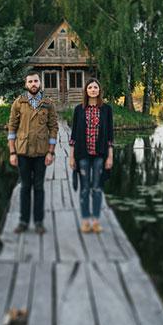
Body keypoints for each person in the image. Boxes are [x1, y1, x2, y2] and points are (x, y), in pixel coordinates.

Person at [8, 71, 58, 234]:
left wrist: (51, 152)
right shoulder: (19, 103)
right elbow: (12, 128)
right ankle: (23, 221)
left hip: (41, 152)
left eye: (36, 81)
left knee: (38, 187)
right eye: (30, 82)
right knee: (25, 187)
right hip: (22, 152)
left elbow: (53, 128)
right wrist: (12, 152)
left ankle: (38, 222)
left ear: (40, 83)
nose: (33, 84)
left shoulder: (48, 103)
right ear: (26, 84)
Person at [69, 77, 114, 233]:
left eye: (96, 87)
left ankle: (96, 220)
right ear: (86, 91)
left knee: (97, 188)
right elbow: (73, 135)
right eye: (90, 87)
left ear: (99, 90)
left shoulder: (106, 109)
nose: (93, 89)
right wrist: (71, 156)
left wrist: (110, 156)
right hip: (83, 155)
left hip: (100, 155)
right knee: (84, 188)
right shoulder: (79, 109)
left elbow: (110, 136)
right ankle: (85, 220)